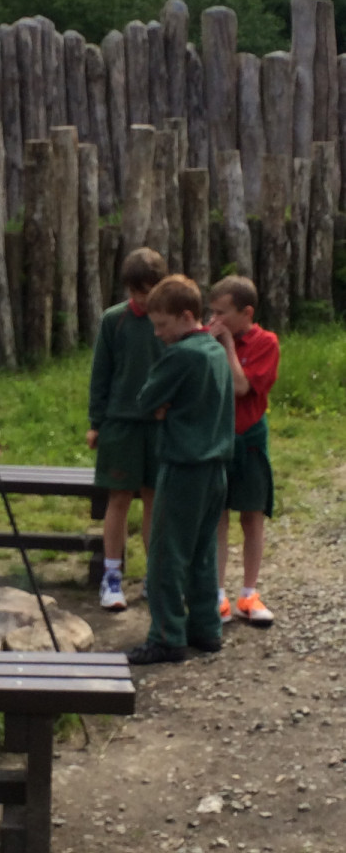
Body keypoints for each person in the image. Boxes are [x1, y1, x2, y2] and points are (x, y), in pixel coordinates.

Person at [128, 274, 234, 665]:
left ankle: (167, 636)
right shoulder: (215, 351)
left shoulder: (182, 355)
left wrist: (161, 408)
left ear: (187, 316)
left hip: (184, 466)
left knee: (166, 556)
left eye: (162, 325)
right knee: (202, 552)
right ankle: (206, 629)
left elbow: (145, 400)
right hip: (216, 468)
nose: (157, 334)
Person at [87, 247, 168, 611]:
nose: (142, 299)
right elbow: (100, 374)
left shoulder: (169, 321)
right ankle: (112, 576)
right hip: (120, 425)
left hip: (159, 425)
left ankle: (154, 576)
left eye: (147, 291)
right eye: (136, 292)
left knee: (154, 500)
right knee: (118, 499)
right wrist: (96, 422)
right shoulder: (113, 320)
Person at [207, 275, 279, 627]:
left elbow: (240, 386)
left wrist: (227, 346)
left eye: (222, 312)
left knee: (251, 517)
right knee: (217, 516)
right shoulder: (208, 341)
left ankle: (249, 593)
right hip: (216, 438)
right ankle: (217, 593)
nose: (215, 319)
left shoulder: (266, 343)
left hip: (249, 438)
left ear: (246, 312)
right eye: (212, 312)